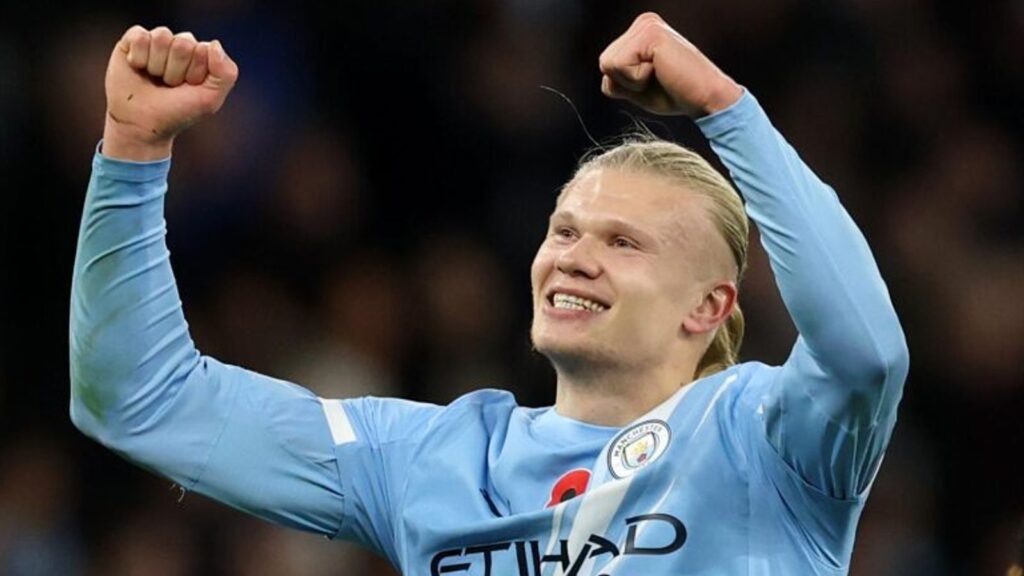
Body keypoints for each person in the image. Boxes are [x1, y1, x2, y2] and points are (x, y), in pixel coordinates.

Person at [70, 12, 909, 575]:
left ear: (710, 307)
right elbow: (140, 399)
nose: (575, 258)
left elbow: (865, 351)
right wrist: (134, 154)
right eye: (566, 231)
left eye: (624, 243)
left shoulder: (765, 443)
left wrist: (726, 109)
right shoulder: (427, 459)